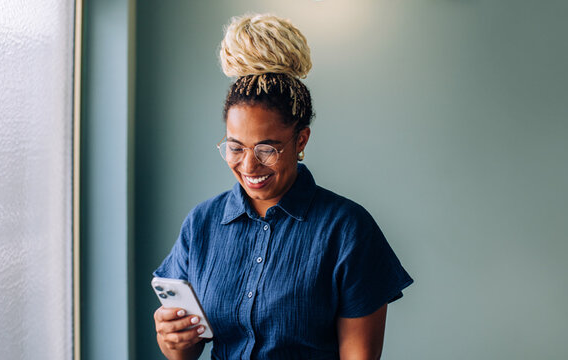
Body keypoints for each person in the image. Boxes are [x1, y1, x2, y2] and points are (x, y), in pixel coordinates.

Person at [152, 13, 413, 360]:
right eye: (235, 147)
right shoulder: (201, 224)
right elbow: (186, 350)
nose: (248, 165)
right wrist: (174, 342)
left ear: (301, 139)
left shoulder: (347, 229)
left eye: (266, 149)